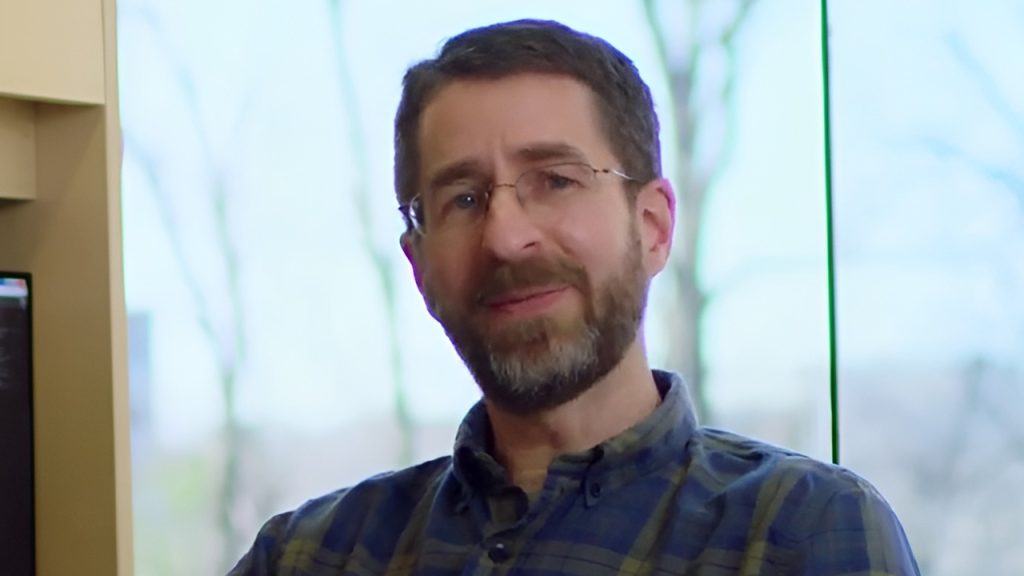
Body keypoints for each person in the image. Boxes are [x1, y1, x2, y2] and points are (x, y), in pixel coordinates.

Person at [230, 19, 920, 575]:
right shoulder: (307, 556)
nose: (506, 238)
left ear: (652, 228)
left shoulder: (801, 534)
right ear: (419, 267)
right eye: (463, 199)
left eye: (556, 180)